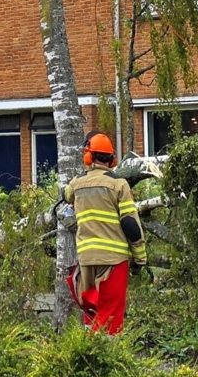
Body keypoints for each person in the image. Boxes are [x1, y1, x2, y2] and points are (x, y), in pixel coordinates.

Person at [62, 131, 147, 335]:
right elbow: (130, 223)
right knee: (110, 315)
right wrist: (140, 258)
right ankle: (107, 357)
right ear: (112, 159)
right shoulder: (119, 184)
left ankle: (87, 352)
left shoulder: (76, 184)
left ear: (88, 156)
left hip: (86, 259)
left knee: (90, 310)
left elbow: (65, 195)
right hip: (113, 259)